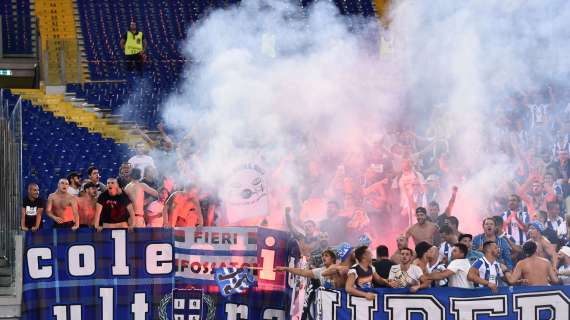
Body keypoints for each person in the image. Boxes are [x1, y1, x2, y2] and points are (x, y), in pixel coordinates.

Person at [275, 249, 342, 289]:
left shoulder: (339, 269)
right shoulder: (320, 271)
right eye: (323, 256)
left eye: (326, 256)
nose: (323, 257)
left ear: (333, 258)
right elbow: (302, 272)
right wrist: (285, 268)